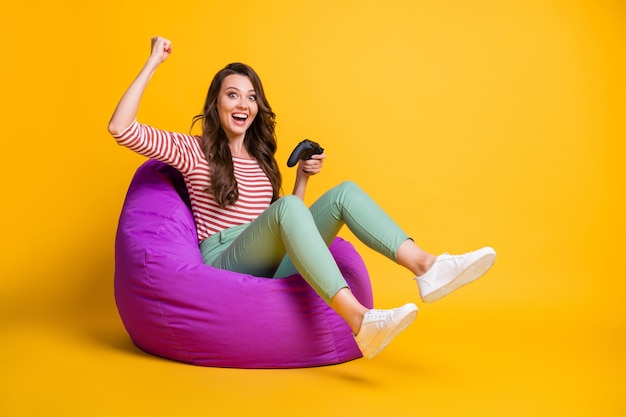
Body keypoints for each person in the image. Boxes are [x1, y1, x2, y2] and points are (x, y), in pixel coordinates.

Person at [108, 36, 497, 360]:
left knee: (343, 192)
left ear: (258, 108)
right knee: (290, 207)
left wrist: (302, 181)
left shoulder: (261, 160)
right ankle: (359, 320)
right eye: (232, 95)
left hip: (266, 258)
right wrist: (153, 62)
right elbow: (121, 127)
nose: (243, 104)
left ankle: (427, 267)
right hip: (224, 261)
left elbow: (282, 222)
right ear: (216, 103)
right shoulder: (193, 150)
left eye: (251, 97)